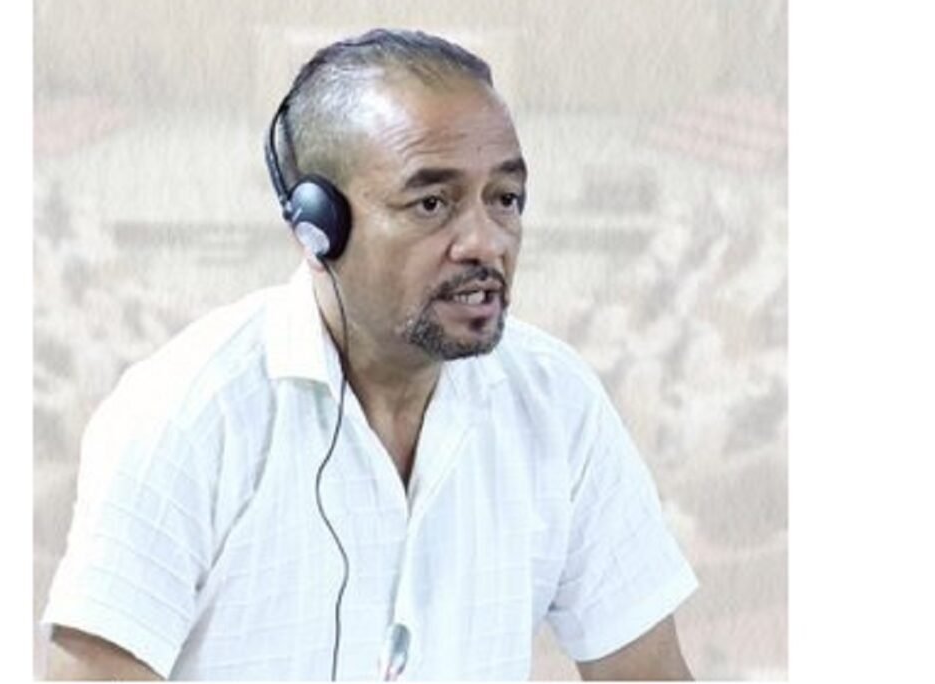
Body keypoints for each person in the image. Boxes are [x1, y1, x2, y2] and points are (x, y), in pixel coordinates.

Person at [42, 28, 698, 681]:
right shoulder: (186, 414)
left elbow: (649, 672)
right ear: (317, 228)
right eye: (431, 203)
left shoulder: (558, 402)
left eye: (505, 199)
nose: (485, 242)